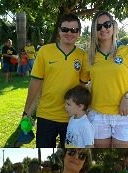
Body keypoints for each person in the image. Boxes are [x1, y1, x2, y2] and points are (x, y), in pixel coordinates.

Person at [81, 11, 128, 148]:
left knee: (122, 157)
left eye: (107, 24)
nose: (103, 29)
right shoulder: (89, 56)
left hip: (124, 115)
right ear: (94, 31)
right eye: (98, 27)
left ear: (113, 26)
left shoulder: (127, 51)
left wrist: (127, 98)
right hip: (97, 115)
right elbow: (82, 83)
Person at [23, 13, 85, 147]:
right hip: (46, 115)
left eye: (74, 30)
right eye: (65, 29)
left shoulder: (83, 55)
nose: (69, 33)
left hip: (71, 117)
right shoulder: (45, 51)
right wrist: (27, 111)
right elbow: (35, 83)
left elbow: (83, 85)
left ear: (79, 32)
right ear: (59, 30)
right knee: (45, 154)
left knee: (67, 156)